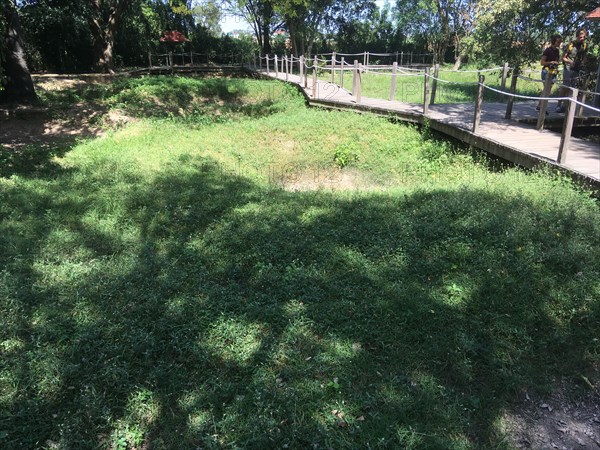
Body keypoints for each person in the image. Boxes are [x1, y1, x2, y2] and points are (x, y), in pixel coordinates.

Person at [556, 28, 588, 113]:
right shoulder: (571, 45)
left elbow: (584, 56)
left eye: (584, 37)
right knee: (565, 86)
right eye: (581, 37)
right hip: (568, 68)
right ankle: (559, 104)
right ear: (577, 37)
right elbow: (563, 57)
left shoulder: (584, 46)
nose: (582, 39)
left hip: (576, 69)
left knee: (572, 88)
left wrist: (584, 62)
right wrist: (570, 62)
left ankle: (567, 106)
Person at [536, 34, 562, 114]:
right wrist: (551, 62)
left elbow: (557, 61)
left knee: (547, 90)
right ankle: (543, 108)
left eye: (560, 42)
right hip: (546, 71)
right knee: (546, 90)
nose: (559, 43)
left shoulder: (557, 51)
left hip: (553, 72)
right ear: (554, 41)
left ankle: (540, 105)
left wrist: (557, 66)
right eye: (558, 41)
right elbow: (542, 62)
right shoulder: (547, 50)